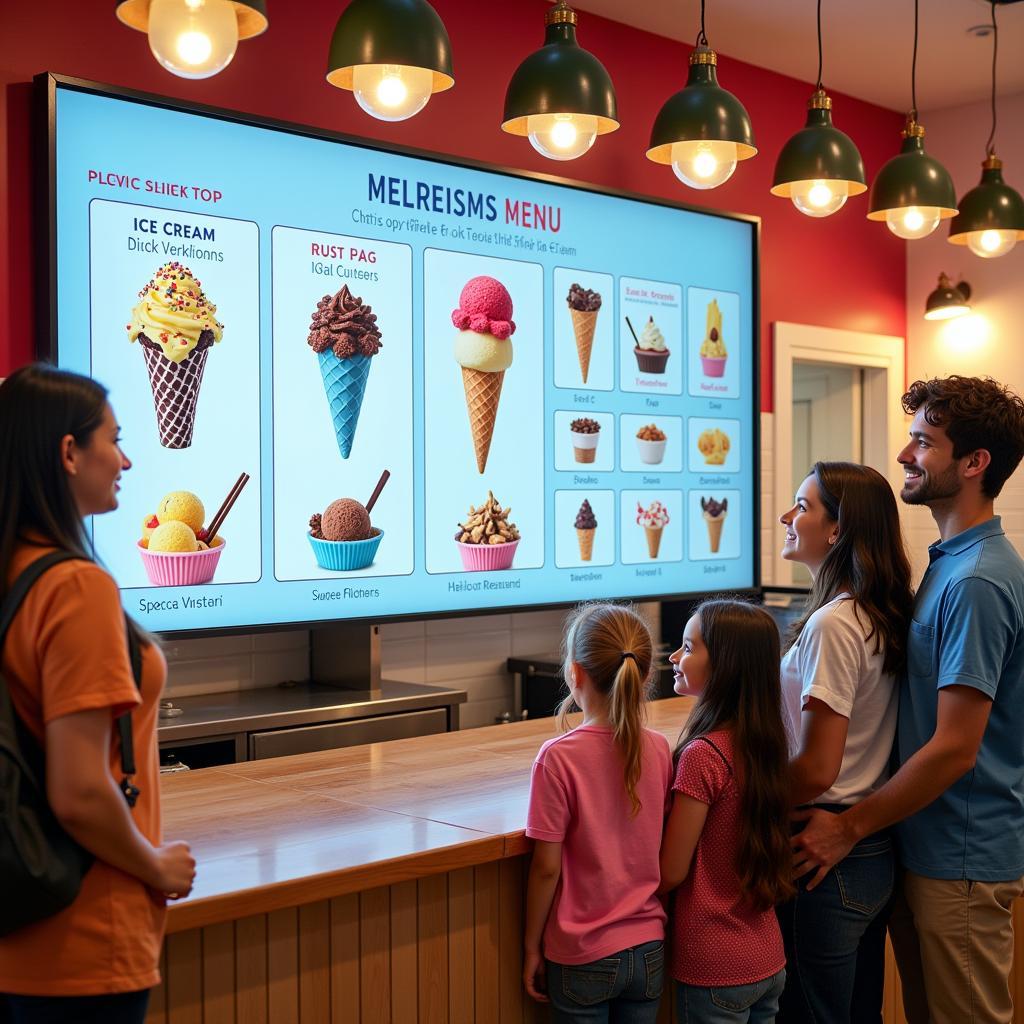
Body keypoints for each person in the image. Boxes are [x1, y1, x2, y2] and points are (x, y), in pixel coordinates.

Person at [791, 376, 1024, 1024]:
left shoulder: (976, 580)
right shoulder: (949, 563)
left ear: (974, 463)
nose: (903, 455)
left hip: (961, 859)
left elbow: (954, 749)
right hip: (924, 851)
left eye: (923, 442)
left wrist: (848, 825)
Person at [0, 364, 195, 1024]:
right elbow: (81, 790)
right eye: (114, 438)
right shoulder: (75, 588)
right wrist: (156, 867)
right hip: (78, 939)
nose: (126, 459)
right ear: (67, 452)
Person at [776, 462, 914, 1023]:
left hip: (822, 847)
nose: (787, 516)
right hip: (869, 850)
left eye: (802, 506)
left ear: (838, 530)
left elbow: (816, 768)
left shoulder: (833, 624)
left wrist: (737, 793)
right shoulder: (876, 612)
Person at [523, 602, 672, 1022]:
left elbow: (546, 869)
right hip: (648, 949)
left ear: (575, 673)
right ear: (645, 677)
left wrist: (532, 946)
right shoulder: (659, 748)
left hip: (582, 954)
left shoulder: (558, 757)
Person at [661, 600, 792, 1023]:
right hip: (767, 957)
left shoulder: (703, 754)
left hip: (713, 966)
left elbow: (671, 871)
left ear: (725, 665)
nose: (674, 657)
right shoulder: (765, 744)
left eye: (687, 647)